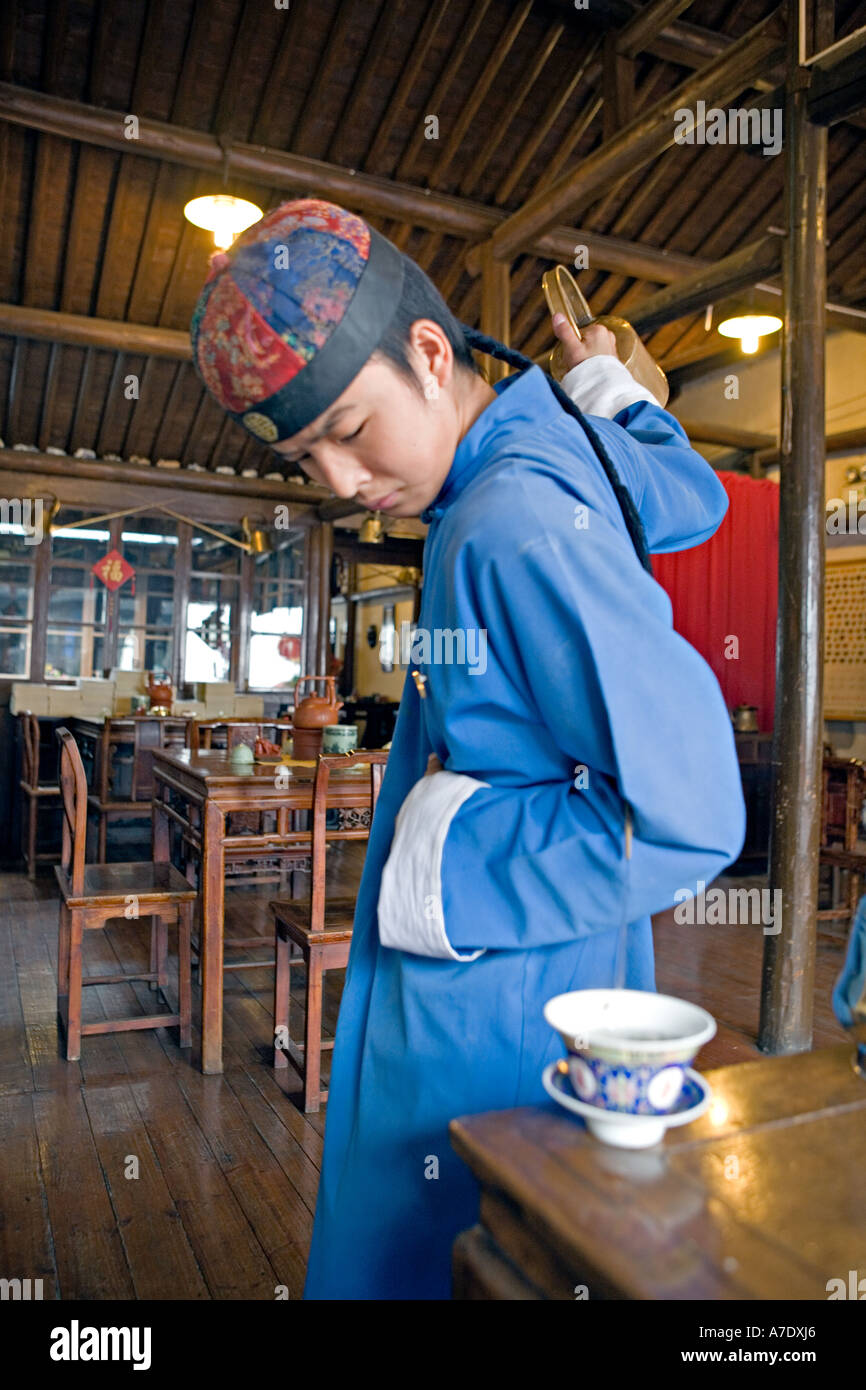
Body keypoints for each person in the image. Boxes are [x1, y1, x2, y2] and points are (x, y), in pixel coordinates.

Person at [191, 198, 745, 1300]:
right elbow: (688, 500)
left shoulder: (504, 523)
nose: (342, 486)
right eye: (310, 459)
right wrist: (601, 387)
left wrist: (441, 861)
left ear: (430, 352)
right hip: (562, 952)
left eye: (349, 430)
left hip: (485, 981)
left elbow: (690, 812)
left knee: (427, 1242)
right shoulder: (555, 440)